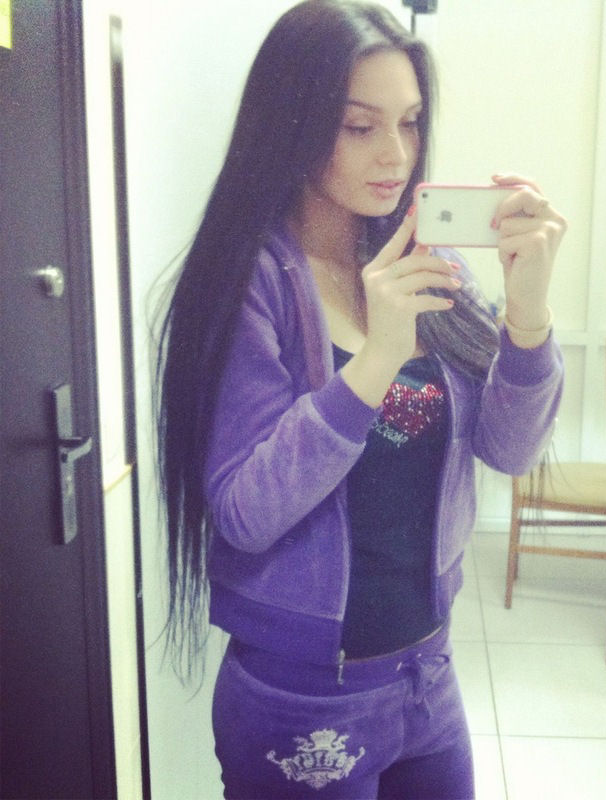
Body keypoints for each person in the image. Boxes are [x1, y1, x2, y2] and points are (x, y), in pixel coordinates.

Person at [156, 1, 566, 797]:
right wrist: (376, 359)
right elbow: (243, 511)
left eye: (410, 123)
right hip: (303, 696)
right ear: (293, 123)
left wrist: (529, 314)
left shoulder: (428, 263)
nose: (397, 154)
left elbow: (511, 450)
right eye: (360, 126)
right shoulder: (249, 284)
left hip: (427, 673)